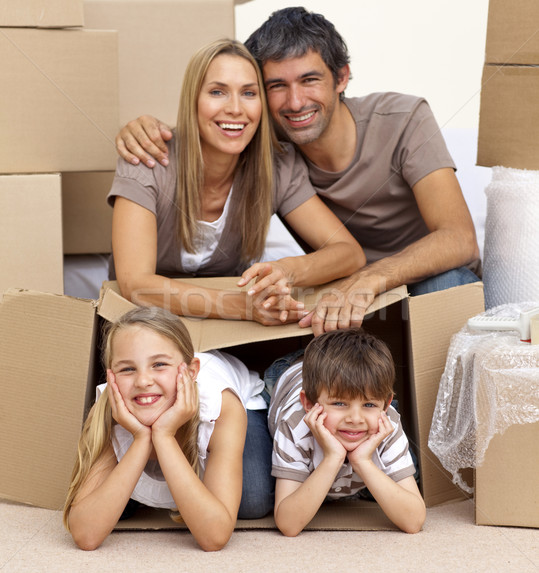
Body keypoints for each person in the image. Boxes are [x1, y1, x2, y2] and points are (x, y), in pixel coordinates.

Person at [116, 8, 481, 335]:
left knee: (449, 284)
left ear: (342, 78)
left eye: (309, 80)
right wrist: (139, 127)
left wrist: (358, 279)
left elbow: (459, 239)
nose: (294, 102)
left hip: (401, 283)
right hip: (330, 298)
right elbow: (134, 281)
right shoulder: (256, 142)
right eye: (276, 86)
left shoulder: (401, 121)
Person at [108, 38, 364, 328]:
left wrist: (287, 270)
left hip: (227, 331)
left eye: (249, 93)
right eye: (217, 92)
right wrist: (243, 307)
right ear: (193, 100)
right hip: (146, 326)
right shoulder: (148, 157)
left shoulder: (277, 167)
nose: (235, 108)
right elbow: (135, 284)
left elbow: (349, 253)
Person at [63, 306, 267, 551]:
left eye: (159, 365)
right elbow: (85, 535)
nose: (143, 381)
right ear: (111, 378)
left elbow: (214, 537)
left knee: (252, 500)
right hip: (158, 413)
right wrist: (141, 439)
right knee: (110, 507)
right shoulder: (109, 408)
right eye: (127, 369)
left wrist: (165, 436)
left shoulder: (220, 407)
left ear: (191, 372)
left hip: (244, 399)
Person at [267, 328, 426, 536]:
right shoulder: (295, 426)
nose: (355, 419)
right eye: (339, 403)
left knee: (413, 473)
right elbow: (288, 524)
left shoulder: (387, 425)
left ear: (386, 405)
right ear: (308, 404)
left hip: (348, 387)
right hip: (287, 374)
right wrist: (333, 457)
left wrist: (362, 461)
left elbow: (414, 521)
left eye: (369, 405)